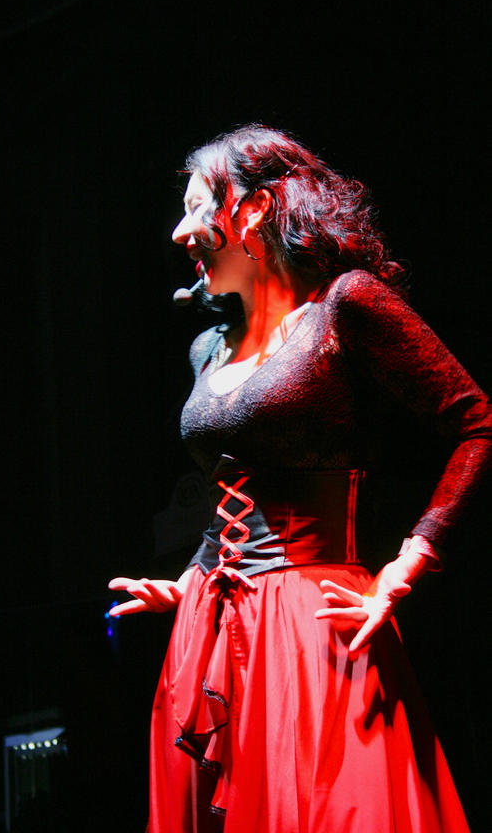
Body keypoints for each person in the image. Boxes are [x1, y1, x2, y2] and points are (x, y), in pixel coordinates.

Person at [108, 124, 492, 833]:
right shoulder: (207, 348)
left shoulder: (345, 306)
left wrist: (410, 559)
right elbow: (238, 481)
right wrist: (190, 581)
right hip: (209, 629)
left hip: (312, 622)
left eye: (196, 209)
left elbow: (475, 422)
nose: (179, 234)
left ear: (254, 209)